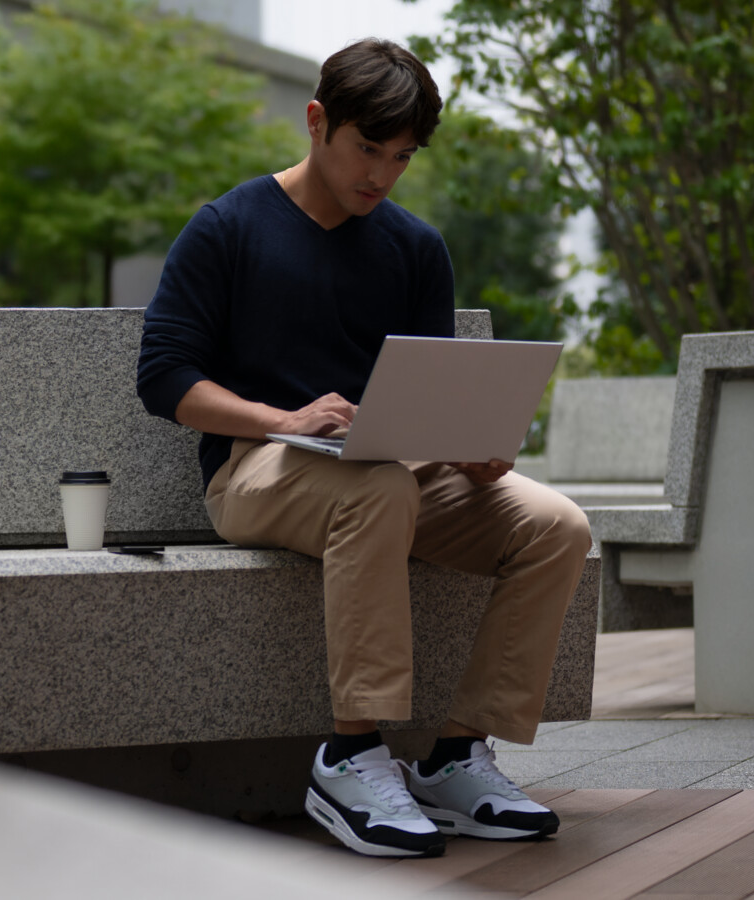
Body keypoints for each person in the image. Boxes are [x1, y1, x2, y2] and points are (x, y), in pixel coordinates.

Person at [136, 38, 592, 859]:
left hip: (389, 470)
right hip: (256, 470)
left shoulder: (415, 249)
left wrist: (469, 448)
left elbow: (429, 390)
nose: (380, 175)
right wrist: (283, 419)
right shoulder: (228, 227)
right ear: (317, 122)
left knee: (554, 524)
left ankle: (456, 755)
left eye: (401, 157)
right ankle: (350, 754)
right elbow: (164, 378)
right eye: (367, 149)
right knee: (378, 488)